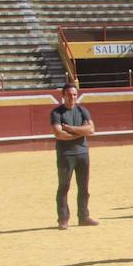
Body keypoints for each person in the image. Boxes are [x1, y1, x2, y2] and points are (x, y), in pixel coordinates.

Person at [50, 83, 98, 230]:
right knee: (64, 186)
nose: (72, 98)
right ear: (63, 96)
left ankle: (83, 217)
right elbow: (59, 134)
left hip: (83, 153)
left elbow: (91, 130)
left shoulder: (83, 110)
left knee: (84, 187)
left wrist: (70, 129)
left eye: (75, 95)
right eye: (69, 95)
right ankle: (63, 219)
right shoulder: (56, 113)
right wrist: (80, 133)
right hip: (66, 155)